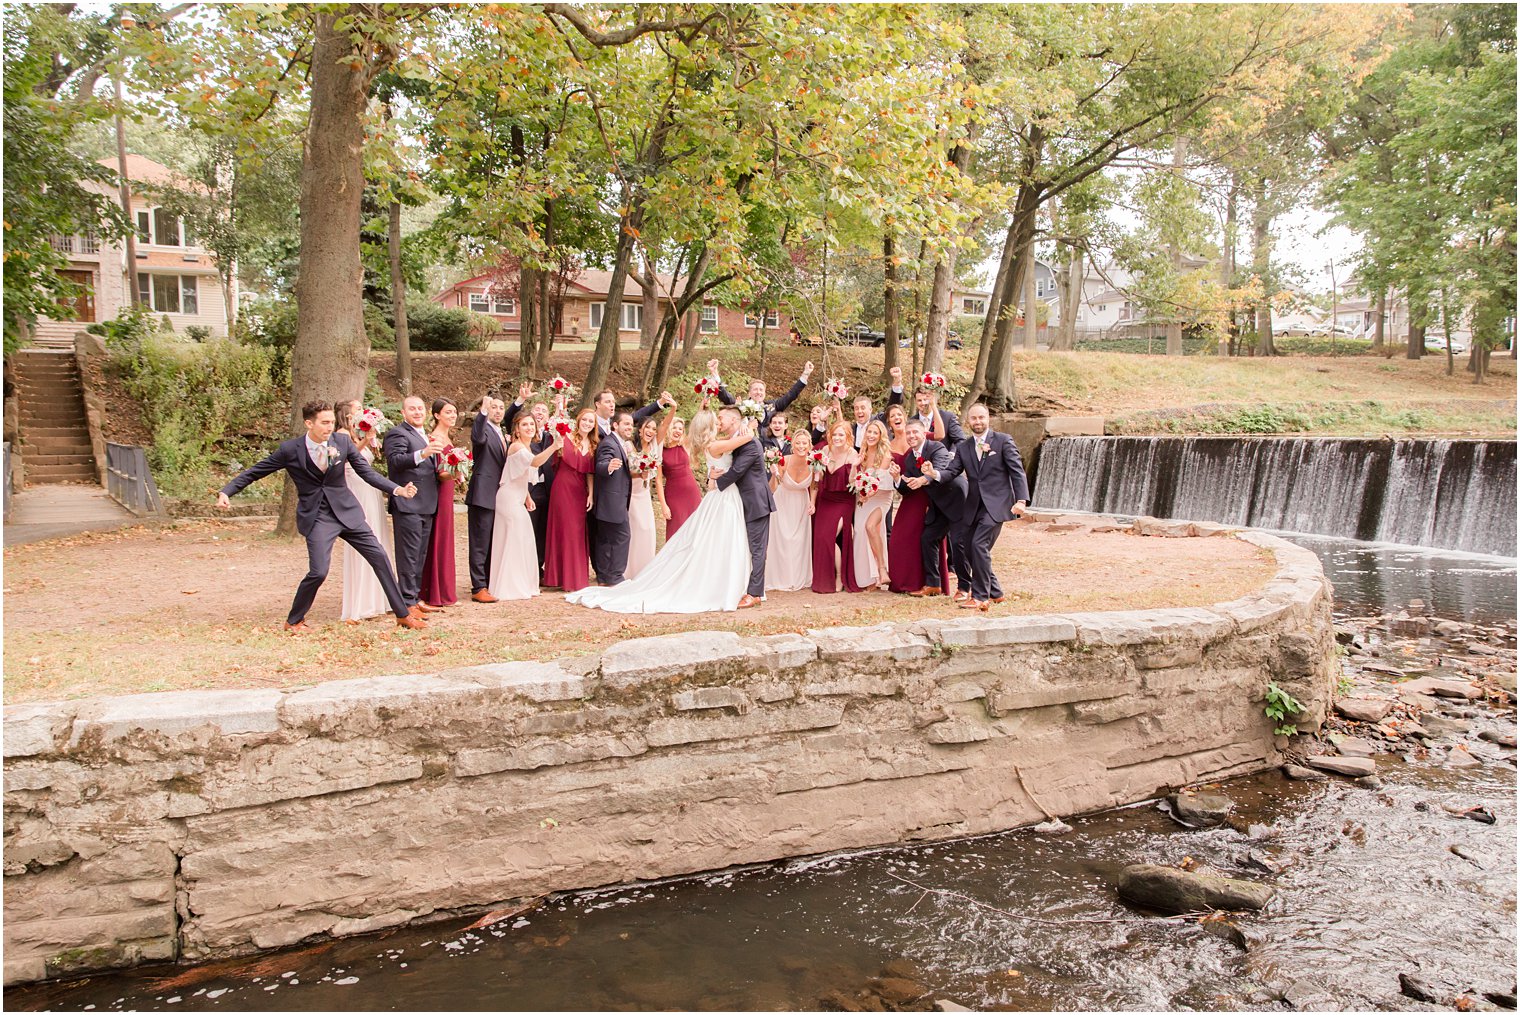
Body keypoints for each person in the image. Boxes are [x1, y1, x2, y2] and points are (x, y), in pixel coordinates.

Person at [217, 400, 424, 631]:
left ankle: (403, 615)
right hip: (317, 517)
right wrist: (227, 491)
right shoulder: (290, 450)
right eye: (324, 423)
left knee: (380, 558)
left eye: (332, 423)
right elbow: (256, 471)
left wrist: (397, 489)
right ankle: (294, 620)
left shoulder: (342, 442)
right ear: (308, 423)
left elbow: (366, 473)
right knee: (318, 571)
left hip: (347, 512)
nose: (329, 427)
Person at [566, 414, 758, 614]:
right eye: (716, 422)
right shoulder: (715, 446)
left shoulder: (717, 443)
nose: (720, 423)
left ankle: (726, 580)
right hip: (723, 497)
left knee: (721, 539)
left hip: (723, 495)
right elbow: (746, 438)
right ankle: (721, 584)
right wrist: (749, 424)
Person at [922, 404, 1031, 610]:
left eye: (981, 417)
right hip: (973, 506)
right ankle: (996, 592)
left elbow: (1017, 472)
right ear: (968, 421)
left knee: (979, 545)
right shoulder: (964, 447)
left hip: (998, 505)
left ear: (988, 418)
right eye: (974, 418)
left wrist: (1021, 500)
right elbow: (952, 471)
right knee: (968, 548)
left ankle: (981, 596)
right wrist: (933, 474)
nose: (978, 422)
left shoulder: (1003, 441)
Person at [383, 394, 446, 617]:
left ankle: (416, 597)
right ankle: (406, 602)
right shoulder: (397, 434)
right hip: (408, 502)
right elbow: (396, 461)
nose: (418, 412)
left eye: (420, 408)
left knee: (420, 554)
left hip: (427, 503)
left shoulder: (425, 435)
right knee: (408, 555)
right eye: (412, 409)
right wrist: (423, 453)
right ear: (403, 413)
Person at [488, 414, 561, 601]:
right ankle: (510, 586)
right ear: (517, 429)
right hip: (508, 499)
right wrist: (554, 446)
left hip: (519, 497)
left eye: (532, 424)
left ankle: (522, 583)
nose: (529, 427)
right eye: (524, 424)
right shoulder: (517, 446)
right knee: (514, 539)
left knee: (523, 539)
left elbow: (519, 474)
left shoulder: (527, 447)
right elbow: (534, 462)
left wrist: (527, 496)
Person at [712, 406, 776, 609]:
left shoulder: (751, 443)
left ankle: (754, 593)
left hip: (756, 502)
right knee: (744, 547)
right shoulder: (737, 443)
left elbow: (737, 471)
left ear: (733, 420)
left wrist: (716, 484)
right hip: (741, 502)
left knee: (757, 549)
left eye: (721, 417)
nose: (719, 421)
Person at [335, 399, 390, 622]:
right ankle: (361, 602)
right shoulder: (340, 433)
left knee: (377, 536)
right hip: (356, 488)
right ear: (348, 414)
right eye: (358, 408)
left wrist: (369, 441)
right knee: (365, 537)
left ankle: (378, 598)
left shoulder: (357, 434)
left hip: (369, 488)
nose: (362, 411)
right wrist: (364, 442)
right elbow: (344, 458)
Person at [891, 418, 958, 596]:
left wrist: (924, 479)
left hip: (952, 502)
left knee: (961, 544)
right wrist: (897, 478)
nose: (911, 436)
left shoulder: (936, 448)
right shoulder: (910, 458)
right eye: (909, 433)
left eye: (915, 432)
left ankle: (966, 588)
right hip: (934, 506)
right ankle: (932, 584)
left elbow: (943, 469)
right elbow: (906, 488)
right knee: (927, 539)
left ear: (924, 433)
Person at [542, 408, 598, 592]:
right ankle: (559, 576)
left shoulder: (593, 445)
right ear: (579, 420)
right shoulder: (565, 437)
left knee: (577, 531)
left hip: (580, 490)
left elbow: (590, 472)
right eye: (585, 420)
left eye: (591, 422)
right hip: (563, 487)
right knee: (563, 529)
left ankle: (575, 576)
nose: (587, 424)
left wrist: (590, 493)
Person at [466, 389, 510, 603]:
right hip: (482, 493)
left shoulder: (501, 433)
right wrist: (482, 412)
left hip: (499, 494)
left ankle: (489, 581)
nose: (498, 411)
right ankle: (478, 586)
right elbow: (477, 437)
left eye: (501, 408)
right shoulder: (483, 430)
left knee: (493, 539)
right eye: (494, 407)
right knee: (480, 541)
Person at [811, 421, 863, 594]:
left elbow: (852, 483)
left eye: (841, 434)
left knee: (829, 536)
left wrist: (855, 466)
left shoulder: (852, 454)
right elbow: (818, 478)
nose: (837, 438)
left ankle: (840, 576)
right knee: (821, 538)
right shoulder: (825, 451)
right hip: (826, 499)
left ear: (848, 436)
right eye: (834, 434)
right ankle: (823, 577)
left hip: (843, 501)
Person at [420, 397, 462, 608]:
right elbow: (437, 472)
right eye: (448, 412)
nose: (452, 416)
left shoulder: (447, 438)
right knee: (438, 536)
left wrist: (460, 471)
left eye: (454, 412)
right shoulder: (433, 438)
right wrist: (455, 471)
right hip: (438, 491)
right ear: (436, 415)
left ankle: (442, 588)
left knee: (445, 536)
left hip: (447, 490)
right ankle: (433, 590)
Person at [766, 428, 815, 593]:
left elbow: (814, 485)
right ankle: (780, 578)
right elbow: (772, 488)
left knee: (799, 541)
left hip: (802, 503)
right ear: (792, 445)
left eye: (804, 443)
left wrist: (813, 503)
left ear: (809, 445)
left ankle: (796, 578)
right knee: (783, 540)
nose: (801, 446)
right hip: (782, 502)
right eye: (798, 443)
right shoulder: (784, 461)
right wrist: (774, 474)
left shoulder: (814, 462)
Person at [590, 410, 635, 586]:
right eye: (626, 424)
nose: (630, 427)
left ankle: (604, 576)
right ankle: (615, 576)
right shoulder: (610, 443)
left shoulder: (619, 443)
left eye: (631, 424)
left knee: (606, 539)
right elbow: (601, 463)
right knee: (622, 536)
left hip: (612, 501)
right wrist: (608, 466)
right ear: (615, 425)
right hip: (612, 501)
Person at [851, 419, 897, 590]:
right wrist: (862, 494)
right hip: (863, 498)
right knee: (860, 533)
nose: (871, 435)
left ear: (880, 436)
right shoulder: (861, 453)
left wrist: (866, 495)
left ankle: (882, 569)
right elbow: (855, 479)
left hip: (881, 497)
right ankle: (869, 578)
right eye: (868, 432)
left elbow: (877, 480)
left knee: (871, 527)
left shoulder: (885, 454)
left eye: (875, 433)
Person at [712, 357, 813, 425]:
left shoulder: (774, 405)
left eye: (761, 390)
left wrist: (806, 374)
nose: (758, 392)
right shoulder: (741, 405)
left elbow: (791, 395)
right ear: (749, 393)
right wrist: (715, 374)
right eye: (755, 389)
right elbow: (725, 397)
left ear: (764, 393)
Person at [658, 409, 706, 537]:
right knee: (676, 530)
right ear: (669, 429)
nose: (678, 431)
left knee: (695, 529)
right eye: (675, 427)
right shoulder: (660, 450)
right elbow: (658, 480)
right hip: (673, 495)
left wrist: (702, 406)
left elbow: (696, 427)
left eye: (681, 429)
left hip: (691, 493)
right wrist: (663, 505)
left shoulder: (685, 445)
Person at [627, 416, 663, 578]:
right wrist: (640, 473)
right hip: (631, 493)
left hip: (644, 493)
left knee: (648, 530)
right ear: (640, 429)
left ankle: (644, 572)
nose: (651, 431)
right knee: (635, 530)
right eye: (648, 427)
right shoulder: (629, 445)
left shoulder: (653, 450)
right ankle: (629, 571)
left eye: (654, 429)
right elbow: (625, 472)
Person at [527, 399, 555, 575]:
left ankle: (539, 566)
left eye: (544, 411)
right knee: (530, 527)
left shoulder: (550, 435)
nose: (540, 413)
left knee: (543, 530)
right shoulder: (526, 434)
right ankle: (529, 567)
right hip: (531, 487)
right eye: (537, 409)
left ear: (548, 417)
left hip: (548, 487)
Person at [846, 366, 905, 449]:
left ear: (870, 410)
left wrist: (897, 382)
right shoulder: (851, 429)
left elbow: (892, 406)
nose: (859, 411)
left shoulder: (880, 420)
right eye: (856, 408)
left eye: (863, 408)